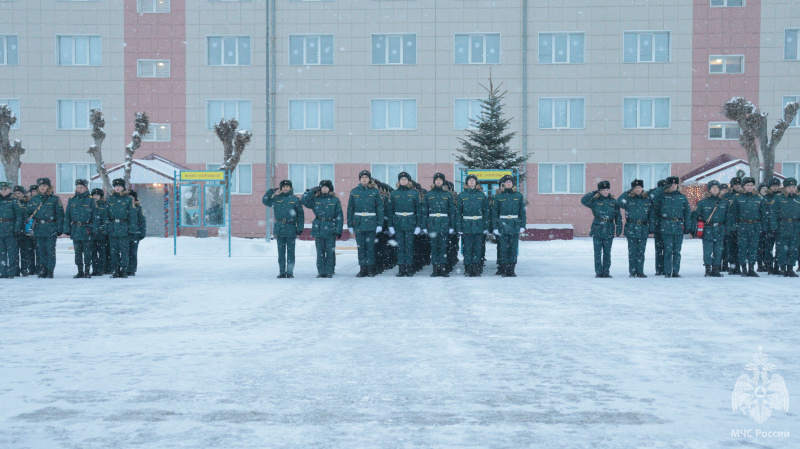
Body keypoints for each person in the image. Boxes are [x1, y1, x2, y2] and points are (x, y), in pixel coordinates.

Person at [650, 176, 693, 278]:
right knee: (668, 250)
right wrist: (663, 188)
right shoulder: (662, 196)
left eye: (675, 184)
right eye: (671, 185)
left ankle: (676, 271)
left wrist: (688, 225)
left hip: (678, 226)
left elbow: (687, 212)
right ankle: (667, 271)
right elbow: (652, 197)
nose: (673, 186)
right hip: (666, 225)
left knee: (677, 251)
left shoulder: (682, 197)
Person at [301, 179, 343, 278]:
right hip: (318, 227)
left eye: (326, 187)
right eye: (322, 187)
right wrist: (311, 192)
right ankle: (321, 271)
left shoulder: (335, 200)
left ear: (330, 189)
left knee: (330, 251)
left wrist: (338, 229)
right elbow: (303, 200)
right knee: (320, 251)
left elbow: (339, 216)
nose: (324, 189)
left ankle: (329, 271)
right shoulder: (316, 199)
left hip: (330, 227)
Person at [263, 179, 304, 278]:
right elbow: (265, 201)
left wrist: (300, 227)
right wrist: (270, 192)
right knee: (281, 253)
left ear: (290, 188)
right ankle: (282, 272)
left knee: (290, 252)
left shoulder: (295, 200)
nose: (285, 188)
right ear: (281, 189)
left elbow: (300, 215)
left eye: (287, 187)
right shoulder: (277, 198)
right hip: (280, 228)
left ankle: (289, 272)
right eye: (283, 187)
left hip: (291, 227)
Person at [347, 170, 384, 277]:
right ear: (359, 179)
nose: (364, 179)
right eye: (362, 177)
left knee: (370, 247)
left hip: (371, 223)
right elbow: (350, 209)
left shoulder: (375, 192)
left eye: (366, 177)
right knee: (361, 247)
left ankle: (371, 269)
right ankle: (363, 269)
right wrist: (350, 225)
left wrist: (379, 224)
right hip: (358, 223)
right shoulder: (354, 192)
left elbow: (379, 209)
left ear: (369, 179)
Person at [581, 180, 622, 278]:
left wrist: (619, 227)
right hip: (597, 228)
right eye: (603, 190)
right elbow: (583, 200)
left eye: (607, 189)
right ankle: (599, 272)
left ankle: (606, 271)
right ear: (600, 191)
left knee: (607, 252)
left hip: (609, 228)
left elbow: (618, 216)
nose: (605, 191)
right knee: (597, 252)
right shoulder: (594, 201)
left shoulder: (613, 201)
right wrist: (595, 192)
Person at [727, 176, 766, 277]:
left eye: (752, 185)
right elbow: (732, 214)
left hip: (755, 226)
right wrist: (734, 227)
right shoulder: (738, 198)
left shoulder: (759, 198)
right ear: (744, 186)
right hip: (742, 225)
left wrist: (763, 227)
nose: (750, 187)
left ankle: (751, 268)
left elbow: (763, 214)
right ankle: (743, 268)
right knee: (742, 248)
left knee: (753, 248)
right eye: (748, 185)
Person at [26, 178, 64, 278]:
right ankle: (42, 269)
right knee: (41, 250)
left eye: (44, 186)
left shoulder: (55, 199)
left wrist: (60, 228)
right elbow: (28, 213)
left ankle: (50, 270)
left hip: (51, 227)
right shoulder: (34, 199)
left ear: (48, 187)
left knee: (50, 250)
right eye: (40, 186)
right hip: (38, 227)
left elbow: (60, 215)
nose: (42, 188)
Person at [691, 180, 729, 277]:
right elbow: (694, 215)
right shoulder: (703, 202)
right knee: (707, 251)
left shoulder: (724, 202)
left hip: (720, 228)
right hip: (708, 228)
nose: (715, 189)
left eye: (717, 187)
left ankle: (716, 269)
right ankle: (708, 269)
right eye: (713, 187)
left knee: (718, 250)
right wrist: (694, 227)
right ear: (709, 189)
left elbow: (729, 217)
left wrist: (728, 228)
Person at [387, 172, 421, 277]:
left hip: (410, 222)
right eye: (401, 179)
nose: (403, 181)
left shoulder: (414, 193)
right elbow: (390, 211)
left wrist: (418, 225)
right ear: (399, 181)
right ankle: (401, 268)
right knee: (400, 247)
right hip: (398, 222)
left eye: (406, 179)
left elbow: (418, 210)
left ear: (409, 181)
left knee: (409, 247)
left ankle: (409, 268)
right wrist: (390, 225)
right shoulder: (394, 194)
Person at [421, 173, 455, 277]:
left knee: (444, 247)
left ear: (443, 181)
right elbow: (424, 211)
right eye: (437, 179)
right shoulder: (428, 195)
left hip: (444, 223)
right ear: (434, 181)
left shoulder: (448, 195)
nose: (438, 181)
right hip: (432, 223)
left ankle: (443, 269)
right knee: (434, 247)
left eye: (440, 179)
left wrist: (452, 226)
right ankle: (435, 269)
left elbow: (452, 212)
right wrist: (424, 226)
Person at [493, 175, 527, 277]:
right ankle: (504, 269)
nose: (508, 183)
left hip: (514, 224)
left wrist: (522, 225)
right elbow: (495, 213)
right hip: (502, 224)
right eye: (506, 182)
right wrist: (495, 227)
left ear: (512, 184)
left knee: (513, 248)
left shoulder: (518, 196)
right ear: (503, 184)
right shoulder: (498, 197)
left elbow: (522, 212)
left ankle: (511, 269)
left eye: (510, 182)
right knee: (503, 248)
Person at [456, 174, 489, 277]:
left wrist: (486, 226)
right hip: (466, 225)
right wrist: (459, 227)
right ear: (467, 182)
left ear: (476, 182)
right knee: (467, 249)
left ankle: (476, 268)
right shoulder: (462, 195)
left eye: (473, 180)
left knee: (478, 248)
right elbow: (458, 213)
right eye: (470, 180)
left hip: (479, 225)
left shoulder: (482, 195)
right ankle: (468, 268)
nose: (471, 182)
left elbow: (486, 212)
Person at [617, 179, 651, 278]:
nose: (638, 189)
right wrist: (627, 192)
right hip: (631, 227)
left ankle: (640, 271)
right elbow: (619, 202)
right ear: (632, 189)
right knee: (632, 252)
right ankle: (632, 272)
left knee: (641, 252)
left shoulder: (647, 198)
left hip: (643, 227)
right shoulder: (628, 198)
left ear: (642, 188)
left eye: (640, 187)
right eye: (635, 188)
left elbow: (652, 211)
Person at [106, 178, 138, 278]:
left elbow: (132, 216)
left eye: (119, 186)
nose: (117, 188)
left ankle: (124, 269)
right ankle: (115, 269)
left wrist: (132, 229)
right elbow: (106, 216)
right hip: (113, 228)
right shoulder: (110, 199)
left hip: (124, 227)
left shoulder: (128, 200)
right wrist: (107, 227)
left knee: (124, 250)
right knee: (114, 250)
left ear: (123, 187)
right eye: (115, 186)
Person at [63, 179, 95, 278]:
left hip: (87, 228)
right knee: (77, 252)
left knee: (87, 251)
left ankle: (87, 270)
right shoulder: (72, 199)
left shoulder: (91, 200)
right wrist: (66, 228)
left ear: (86, 188)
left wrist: (95, 229)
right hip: (76, 228)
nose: (79, 189)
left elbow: (95, 216)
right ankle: (79, 270)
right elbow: (67, 215)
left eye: (81, 187)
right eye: (77, 187)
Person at [770, 178, 800, 276]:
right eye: (789, 187)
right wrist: (774, 227)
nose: (791, 189)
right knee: (782, 249)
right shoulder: (778, 198)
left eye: (793, 187)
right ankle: (782, 267)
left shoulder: (798, 199)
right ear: (785, 188)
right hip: (782, 226)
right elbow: (773, 213)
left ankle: (790, 268)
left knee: (793, 248)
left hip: (795, 227)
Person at [0, 182, 24, 279]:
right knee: (1, 252)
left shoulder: (14, 201)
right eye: (1, 189)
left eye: (5, 189)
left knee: (12, 252)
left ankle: (12, 272)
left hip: (10, 228)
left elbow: (19, 216)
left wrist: (17, 228)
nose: (3, 191)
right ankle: (3, 271)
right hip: (0, 228)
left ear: (9, 190)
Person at [759, 178, 781, 274]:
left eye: (776, 186)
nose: (775, 188)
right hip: (768, 227)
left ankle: (777, 266)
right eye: (773, 186)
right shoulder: (765, 198)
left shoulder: (781, 197)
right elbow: (763, 214)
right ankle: (769, 266)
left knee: (779, 248)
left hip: (780, 226)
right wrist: (765, 228)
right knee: (768, 248)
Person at [13, 186, 35, 276]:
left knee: (25, 251)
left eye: (19, 193)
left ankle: (25, 269)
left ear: (23, 194)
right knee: (14, 252)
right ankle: (15, 269)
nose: (17, 195)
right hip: (14, 230)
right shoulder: (12, 203)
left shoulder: (28, 203)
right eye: (16, 193)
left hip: (25, 230)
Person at [723, 177, 743, 274]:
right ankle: (732, 265)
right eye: (735, 185)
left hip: (741, 224)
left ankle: (738, 265)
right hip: (729, 224)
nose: (738, 186)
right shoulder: (727, 196)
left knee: (740, 246)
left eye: (739, 185)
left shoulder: (743, 196)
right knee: (730, 247)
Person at [90, 188, 109, 276]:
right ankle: (95, 269)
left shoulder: (104, 205)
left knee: (102, 252)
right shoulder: (90, 204)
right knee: (93, 252)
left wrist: (103, 229)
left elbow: (105, 219)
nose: (95, 197)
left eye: (97, 195)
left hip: (101, 233)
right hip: (92, 232)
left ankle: (101, 269)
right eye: (94, 195)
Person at [127, 189, 147, 276]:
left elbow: (142, 221)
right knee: (125, 252)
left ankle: (132, 269)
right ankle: (124, 267)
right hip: (124, 232)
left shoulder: (138, 208)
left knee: (133, 252)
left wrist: (142, 232)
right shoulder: (123, 208)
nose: (130, 199)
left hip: (135, 233)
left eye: (131, 197)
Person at [650, 179, 667, 275]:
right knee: (659, 249)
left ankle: (664, 268)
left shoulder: (668, 195)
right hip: (658, 224)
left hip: (665, 225)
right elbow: (652, 197)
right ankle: (659, 269)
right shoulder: (655, 194)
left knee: (666, 249)